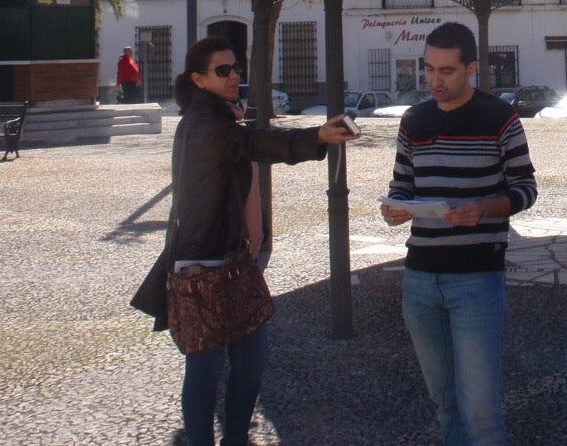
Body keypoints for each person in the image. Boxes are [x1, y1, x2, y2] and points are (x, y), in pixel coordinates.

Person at [130, 36, 357, 446]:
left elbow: (250, 141)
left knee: (251, 363)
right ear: (199, 79)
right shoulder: (206, 126)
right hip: (201, 266)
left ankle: (235, 439)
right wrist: (316, 138)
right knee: (205, 372)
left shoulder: (219, 119)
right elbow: (254, 144)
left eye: (236, 68)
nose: (235, 75)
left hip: (232, 264)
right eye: (223, 70)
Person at [380, 22, 538, 446]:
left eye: (446, 71)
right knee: (444, 400)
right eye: (428, 69)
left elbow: (525, 188)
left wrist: (484, 209)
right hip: (418, 276)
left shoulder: (500, 118)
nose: (434, 80)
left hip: (477, 279)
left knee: (481, 407)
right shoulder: (414, 120)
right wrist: (395, 207)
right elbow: (403, 184)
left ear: (472, 68)